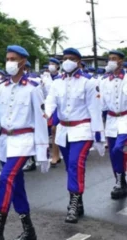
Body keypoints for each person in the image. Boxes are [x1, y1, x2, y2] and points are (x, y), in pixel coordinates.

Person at [0, 45, 49, 240]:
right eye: (8, 58)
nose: (9, 62)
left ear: (22, 62)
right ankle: (29, 230)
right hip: (5, 142)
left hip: (24, 141)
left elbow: (40, 121)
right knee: (17, 185)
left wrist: (42, 152)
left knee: (6, 178)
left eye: (13, 59)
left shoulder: (32, 89)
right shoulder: (0, 88)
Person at [45, 48, 105, 224]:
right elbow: (50, 101)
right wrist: (46, 115)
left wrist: (99, 137)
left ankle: (72, 204)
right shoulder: (57, 82)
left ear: (79, 62)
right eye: (65, 58)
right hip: (64, 130)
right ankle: (79, 201)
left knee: (74, 165)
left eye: (71, 58)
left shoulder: (88, 82)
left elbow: (95, 111)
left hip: (82, 129)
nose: (67, 61)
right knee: (70, 168)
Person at [100, 50, 127, 199]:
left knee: (118, 148)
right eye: (109, 59)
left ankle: (121, 177)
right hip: (111, 120)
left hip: (125, 118)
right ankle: (120, 181)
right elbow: (102, 105)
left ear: (121, 61)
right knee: (113, 153)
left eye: (114, 59)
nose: (110, 61)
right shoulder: (103, 81)